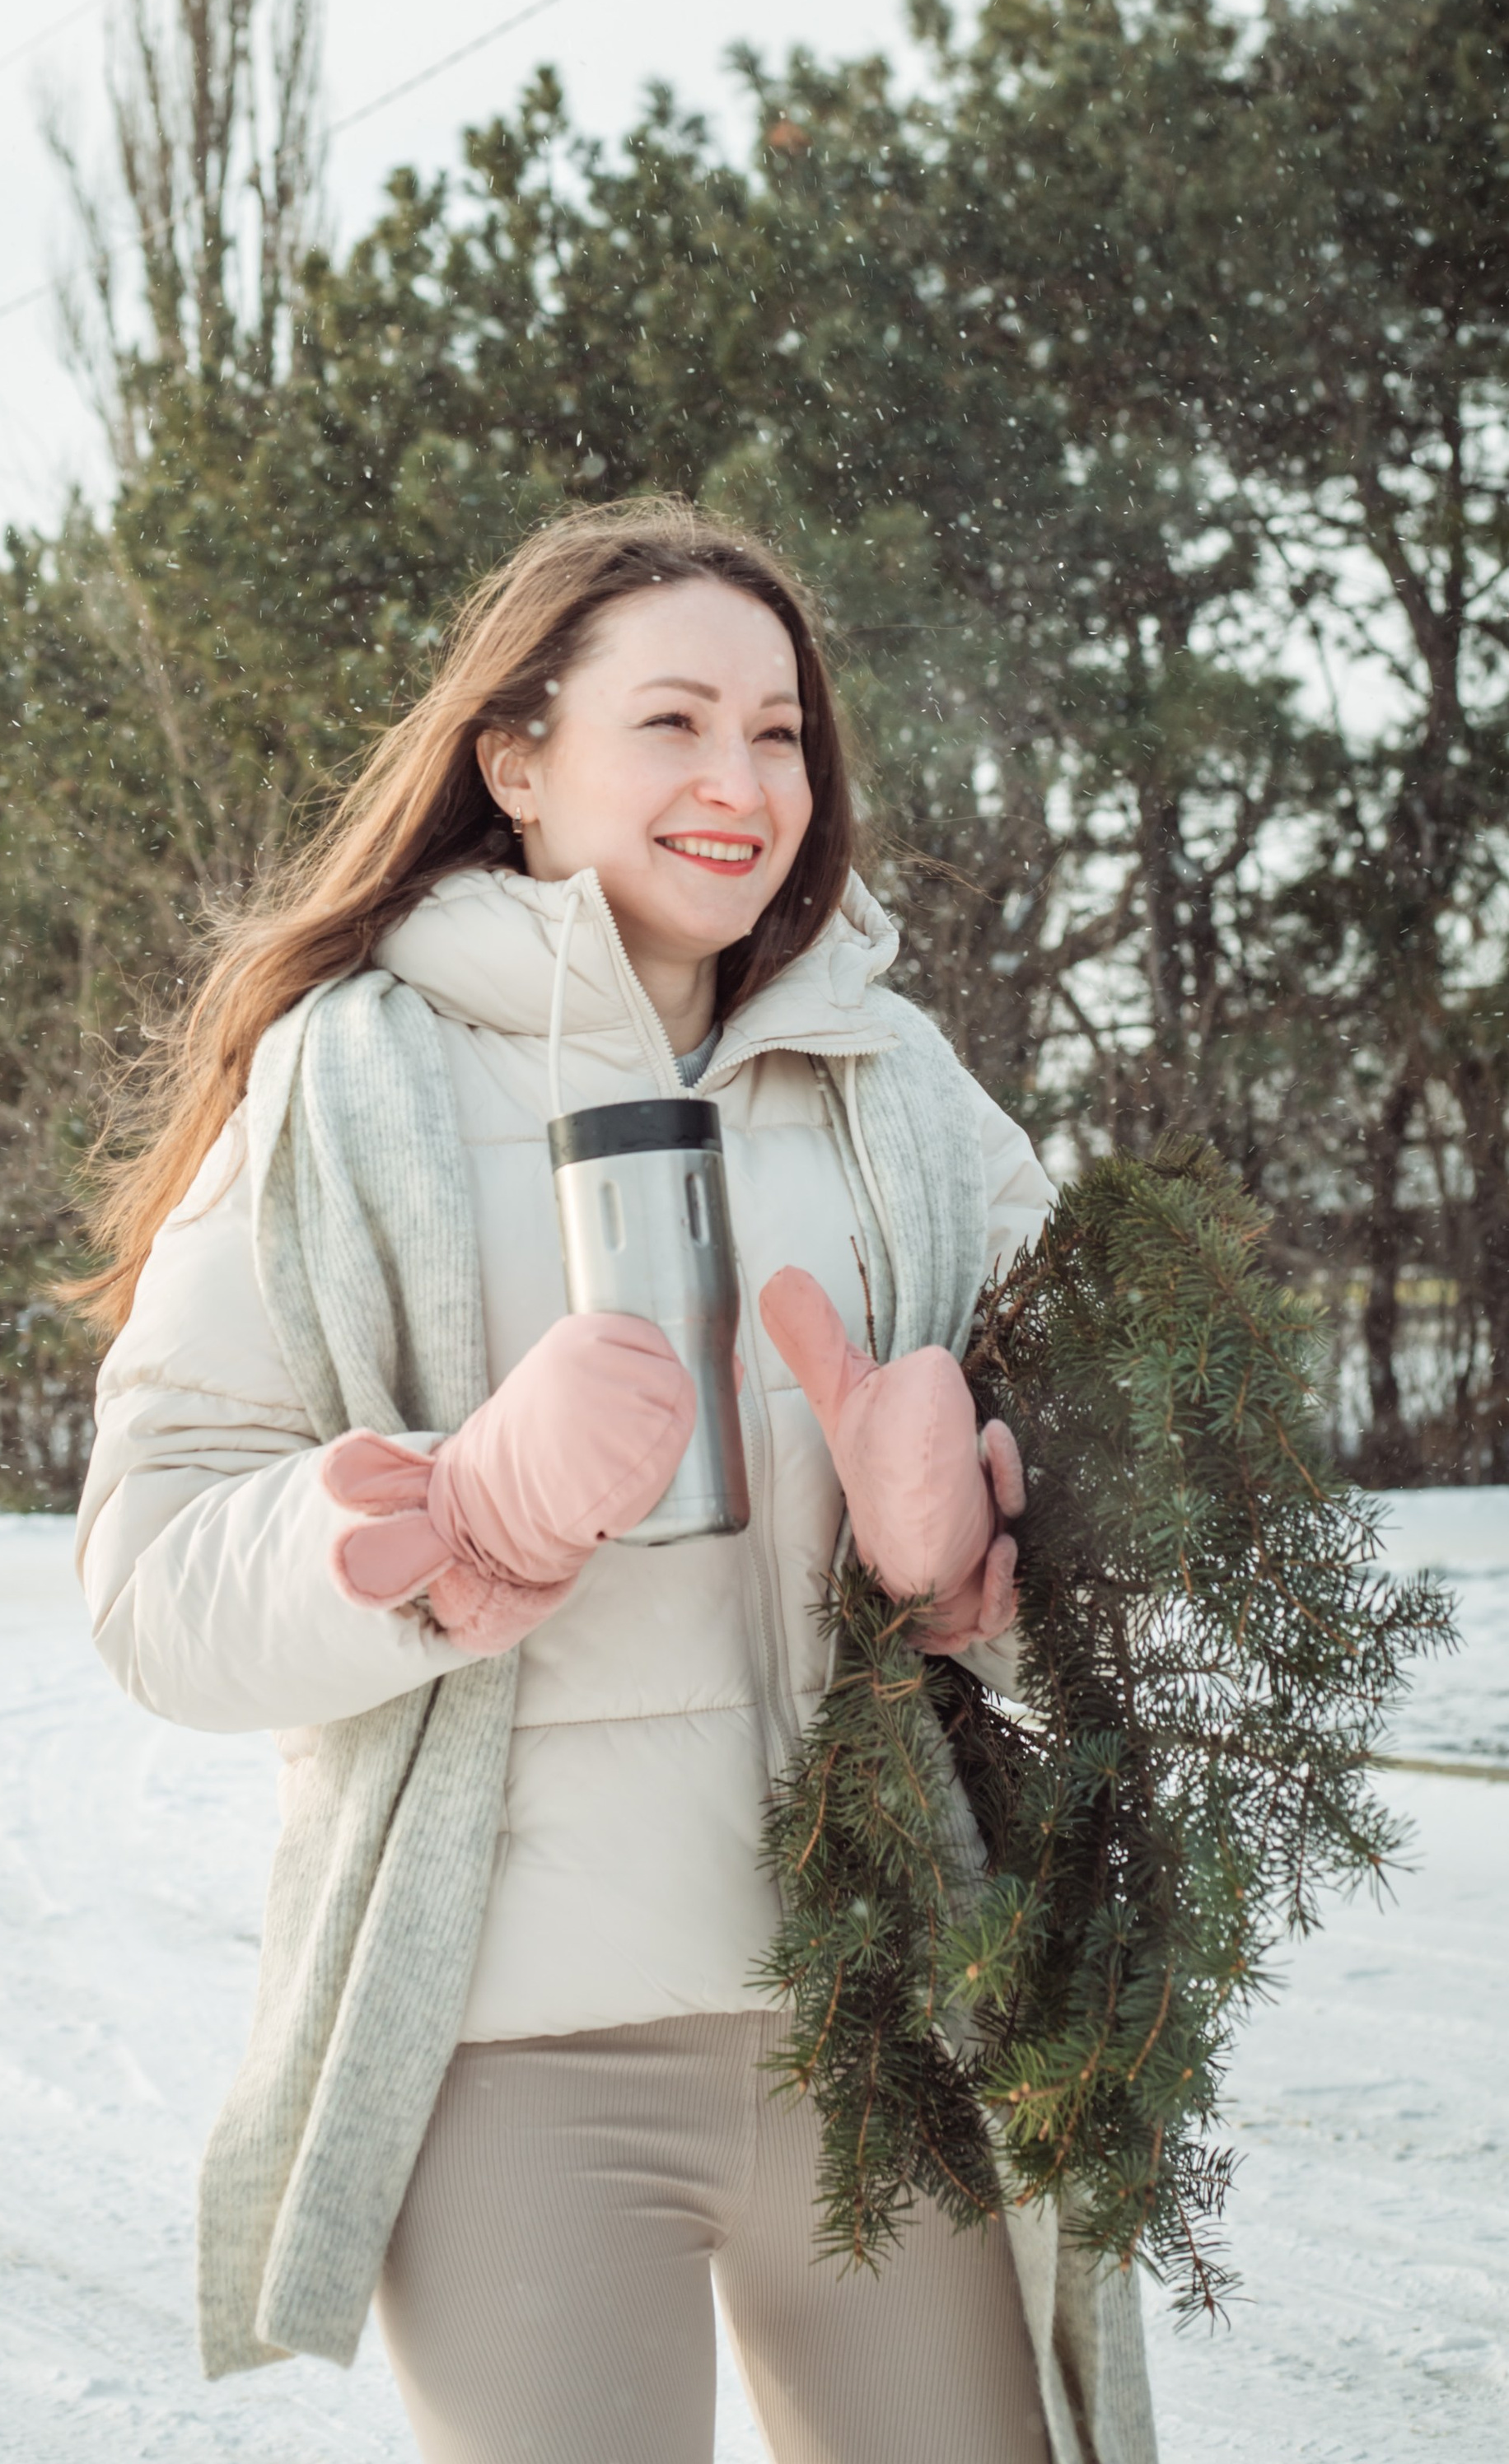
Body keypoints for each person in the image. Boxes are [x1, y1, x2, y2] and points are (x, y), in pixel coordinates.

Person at [71, 502, 1155, 2464]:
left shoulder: (891, 1081)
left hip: (880, 2016)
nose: (738, 783)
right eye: (669, 722)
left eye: (776, 731)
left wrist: (982, 1541)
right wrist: (447, 1509)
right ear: (514, 758)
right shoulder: (353, 1083)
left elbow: (1140, 1484)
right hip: (520, 2052)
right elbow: (152, 1583)